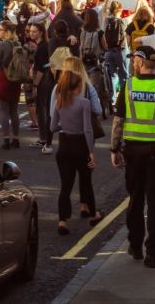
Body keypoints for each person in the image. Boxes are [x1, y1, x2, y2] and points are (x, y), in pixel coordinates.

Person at [110, 46, 155, 268]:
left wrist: (114, 149)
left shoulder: (128, 86)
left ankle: (135, 245)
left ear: (141, 62)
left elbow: (118, 122)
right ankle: (153, 253)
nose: (133, 63)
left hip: (133, 153)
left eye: (134, 60)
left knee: (135, 200)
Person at [51, 62, 101, 235]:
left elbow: (52, 127)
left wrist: (63, 125)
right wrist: (91, 152)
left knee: (66, 185)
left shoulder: (59, 102)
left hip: (64, 145)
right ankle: (94, 213)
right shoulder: (84, 103)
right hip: (80, 145)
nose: (82, 86)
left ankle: (62, 220)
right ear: (77, 87)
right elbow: (87, 129)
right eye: (80, 84)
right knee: (86, 181)